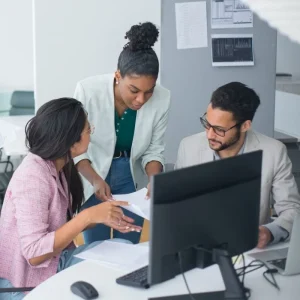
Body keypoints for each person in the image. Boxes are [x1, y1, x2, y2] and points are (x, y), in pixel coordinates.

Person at [0, 98, 141, 299]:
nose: (90, 132)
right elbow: (34, 253)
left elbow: (56, 229)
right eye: (87, 129)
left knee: (125, 249)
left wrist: (97, 217)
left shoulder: (57, 166)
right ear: (70, 140)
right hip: (25, 285)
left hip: (55, 263)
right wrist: (87, 217)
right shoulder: (33, 177)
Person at [74, 22, 171, 244]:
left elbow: (154, 149)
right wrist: (95, 180)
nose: (141, 100)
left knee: (128, 243)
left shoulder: (163, 98)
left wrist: (155, 180)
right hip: (93, 173)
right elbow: (76, 146)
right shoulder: (88, 91)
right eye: (134, 90)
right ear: (118, 75)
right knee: (95, 246)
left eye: (149, 92)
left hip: (131, 178)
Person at [175, 82, 300, 249]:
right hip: (199, 247)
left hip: (250, 250)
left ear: (245, 126)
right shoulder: (188, 147)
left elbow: (292, 209)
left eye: (219, 129)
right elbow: (176, 205)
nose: (209, 134)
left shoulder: (274, 152)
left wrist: (269, 233)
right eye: (207, 124)